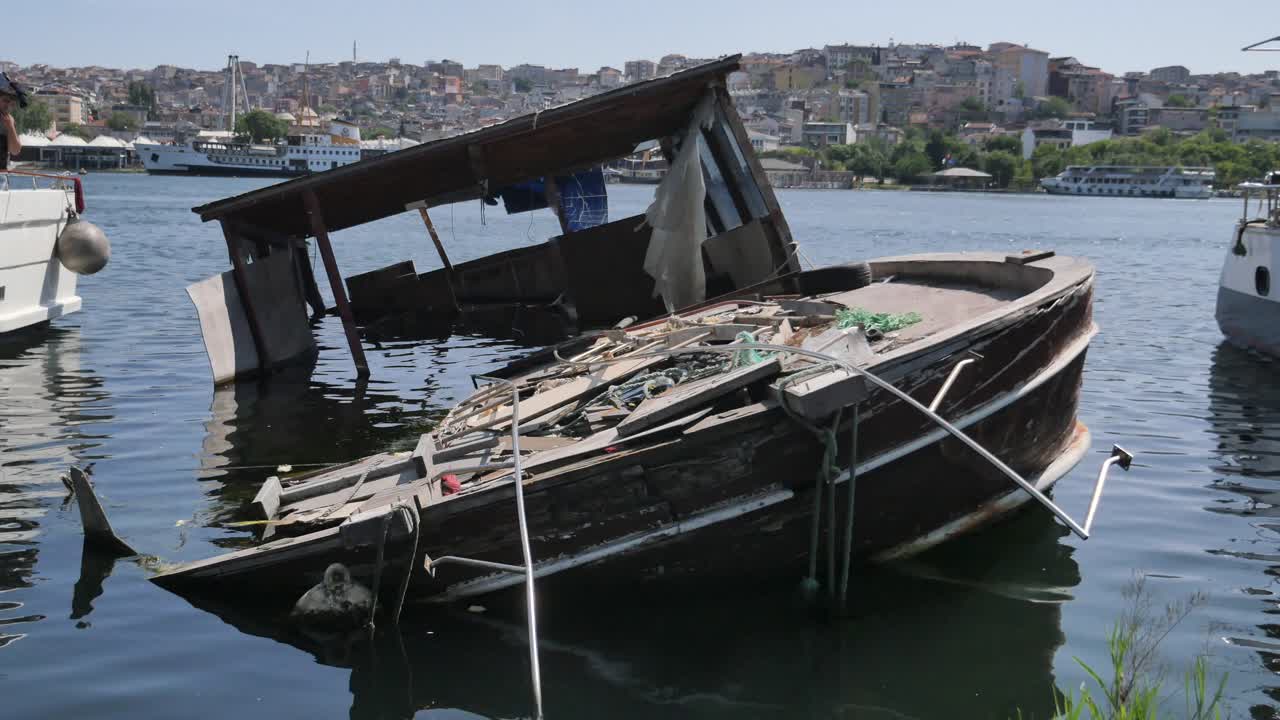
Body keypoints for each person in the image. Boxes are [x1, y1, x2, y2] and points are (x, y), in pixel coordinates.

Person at [0, 72, 29, 170]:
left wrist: (10, 126)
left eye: (11, 103)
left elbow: (15, 151)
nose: (8, 105)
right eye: (5, 100)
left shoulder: (9, 121)